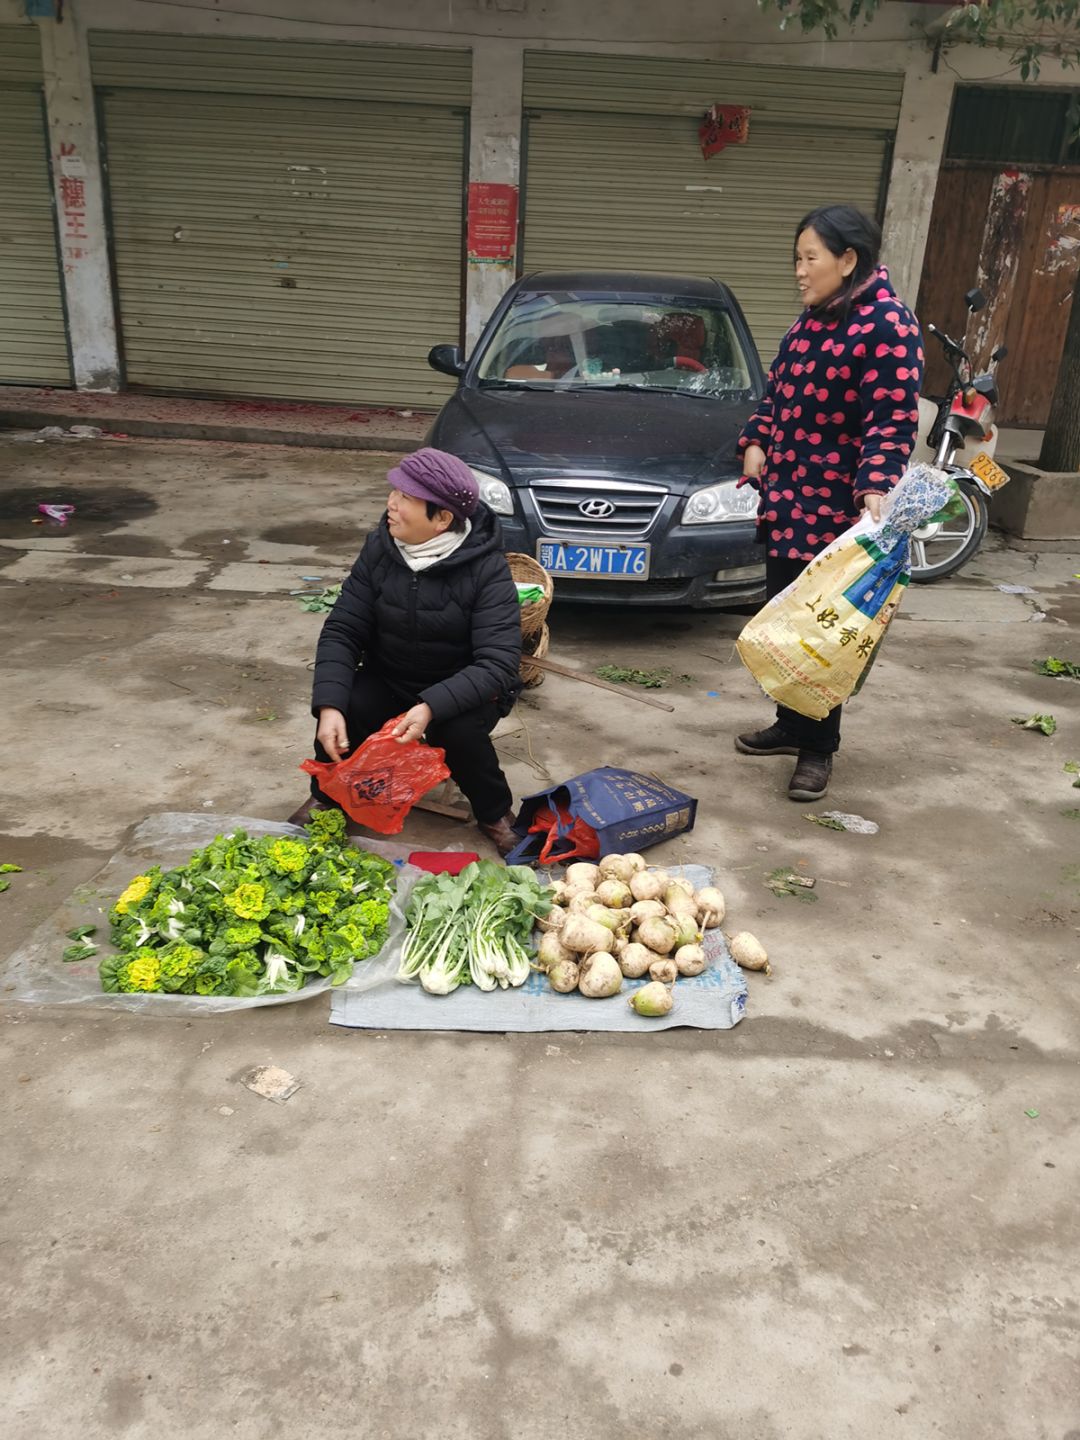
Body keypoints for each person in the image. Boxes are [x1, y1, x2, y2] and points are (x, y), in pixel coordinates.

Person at [735, 204, 924, 801]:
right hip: (790, 503)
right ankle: (792, 725)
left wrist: (876, 484)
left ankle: (819, 749)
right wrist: (757, 440)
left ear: (848, 260)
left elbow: (891, 420)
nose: (799, 270)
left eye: (809, 258)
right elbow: (777, 393)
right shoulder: (812, 320)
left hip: (838, 514)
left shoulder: (888, 325)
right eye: (796, 258)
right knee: (786, 622)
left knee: (825, 634)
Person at [288, 448, 522, 856]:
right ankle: (328, 797)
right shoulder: (381, 549)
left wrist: (430, 707)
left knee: (458, 731)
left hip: (463, 686)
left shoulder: (487, 569)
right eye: (394, 492)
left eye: (406, 498)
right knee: (351, 702)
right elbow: (343, 629)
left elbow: (497, 664)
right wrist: (328, 706)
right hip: (392, 674)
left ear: (443, 518)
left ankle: (494, 813)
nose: (391, 504)